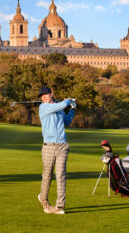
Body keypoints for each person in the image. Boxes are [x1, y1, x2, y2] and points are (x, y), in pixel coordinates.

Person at [36, 86, 75, 215]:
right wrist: (68, 101)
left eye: (45, 94)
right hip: (48, 147)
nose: (43, 97)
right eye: (41, 96)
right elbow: (61, 105)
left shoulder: (59, 109)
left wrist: (73, 109)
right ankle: (44, 200)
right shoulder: (43, 107)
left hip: (62, 146)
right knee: (47, 175)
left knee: (61, 175)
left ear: (51, 94)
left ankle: (59, 206)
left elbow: (67, 122)